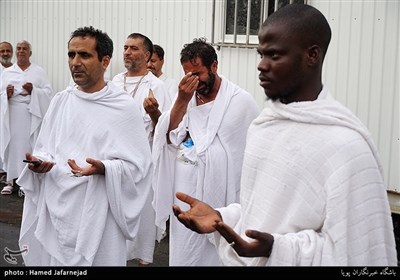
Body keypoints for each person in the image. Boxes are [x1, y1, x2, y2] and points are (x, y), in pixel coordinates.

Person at [172, 3, 398, 266]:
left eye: (275, 56)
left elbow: (359, 252)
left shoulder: (346, 147)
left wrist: (278, 248)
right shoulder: (264, 128)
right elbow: (260, 212)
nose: (262, 66)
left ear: (312, 55)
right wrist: (222, 217)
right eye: (261, 55)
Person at [17, 26, 153, 266]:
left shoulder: (123, 108)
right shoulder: (61, 101)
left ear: (105, 61)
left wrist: (105, 168)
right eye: (71, 55)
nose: (75, 62)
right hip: (57, 211)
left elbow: (139, 169)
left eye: (84, 55)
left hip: (101, 217)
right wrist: (39, 162)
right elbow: (45, 148)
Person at [151, 37, 260, 266]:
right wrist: (182, 99)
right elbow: (169, 136)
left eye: (198, 73)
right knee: (185, 243)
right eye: (188, 74)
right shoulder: (186, 95)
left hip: (220, 192)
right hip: (185, 186)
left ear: (214, 66)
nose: (194, 81)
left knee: (214, 249)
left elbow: (248, 156)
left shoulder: (240, 101)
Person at [112, 33, 170, 266]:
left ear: (147, 55)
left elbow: (166, 129)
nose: (127, 52)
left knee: (144, 215)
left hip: (144, 159)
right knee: (115, 213)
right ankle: (113, 256)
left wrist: (155, 114)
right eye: (125, 47)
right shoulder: (114, 82)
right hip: (115, 157)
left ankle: (143, 259)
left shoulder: (156, 86)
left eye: (134, 48)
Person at [0, 40, 53, 195]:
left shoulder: (38, 71)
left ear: (30, 53)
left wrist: (34, 91)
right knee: (12, 145)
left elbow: (48, 92)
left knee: (29, 145)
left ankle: (25, 184)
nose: (21, 51)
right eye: (19, 49)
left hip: (31, 113)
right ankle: (10, 180)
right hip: (12, 113)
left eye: (24, 49)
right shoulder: (7, 72)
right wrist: (6, 94)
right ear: (16, 52)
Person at [0, 41, 14, 183]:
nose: (5, 54)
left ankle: (8, 171)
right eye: (2, 51)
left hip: (12, 114)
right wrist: (5, 94)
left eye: (7, 51)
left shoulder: (15, 71)